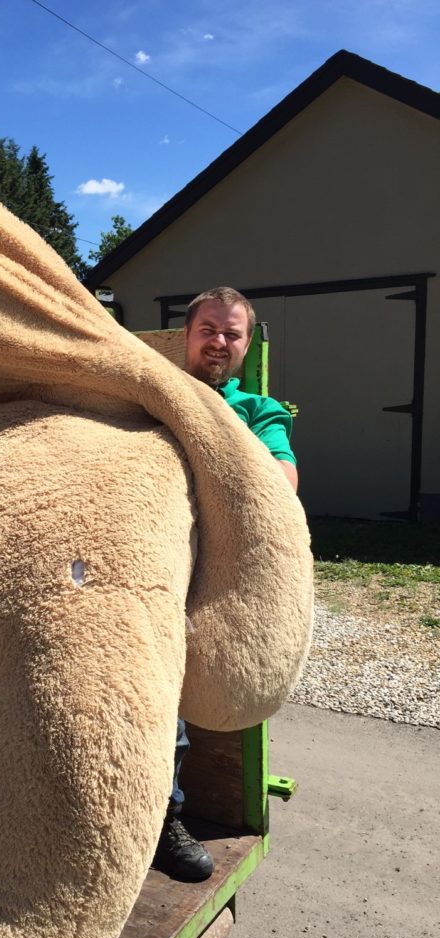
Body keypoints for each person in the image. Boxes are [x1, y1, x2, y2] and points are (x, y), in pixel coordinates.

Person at [154, 286, 298, 882]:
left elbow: (282, 481)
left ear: (243, 345)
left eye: (231, 333)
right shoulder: (151, 395)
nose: (219, 341)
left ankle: (163, 821)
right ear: (186, 337)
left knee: (169, 707)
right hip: (128, 561)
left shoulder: (258, 410)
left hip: (195, 579)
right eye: (208, 329)